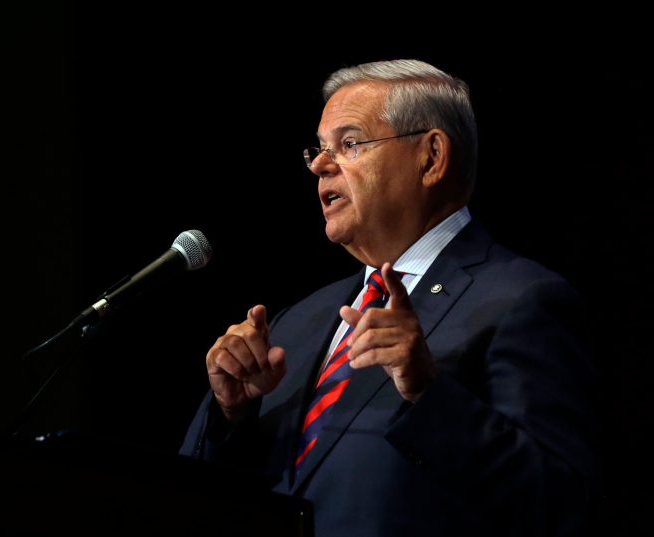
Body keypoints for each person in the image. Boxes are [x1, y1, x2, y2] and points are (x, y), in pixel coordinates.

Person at [180, 59, 596, 536]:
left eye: (350, 143)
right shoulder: (297, 323)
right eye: (317, 150)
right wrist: (231, 416)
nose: (319, 164)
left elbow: (560, 505)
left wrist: (427, 394)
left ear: (432, 157)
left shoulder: (522, 301)